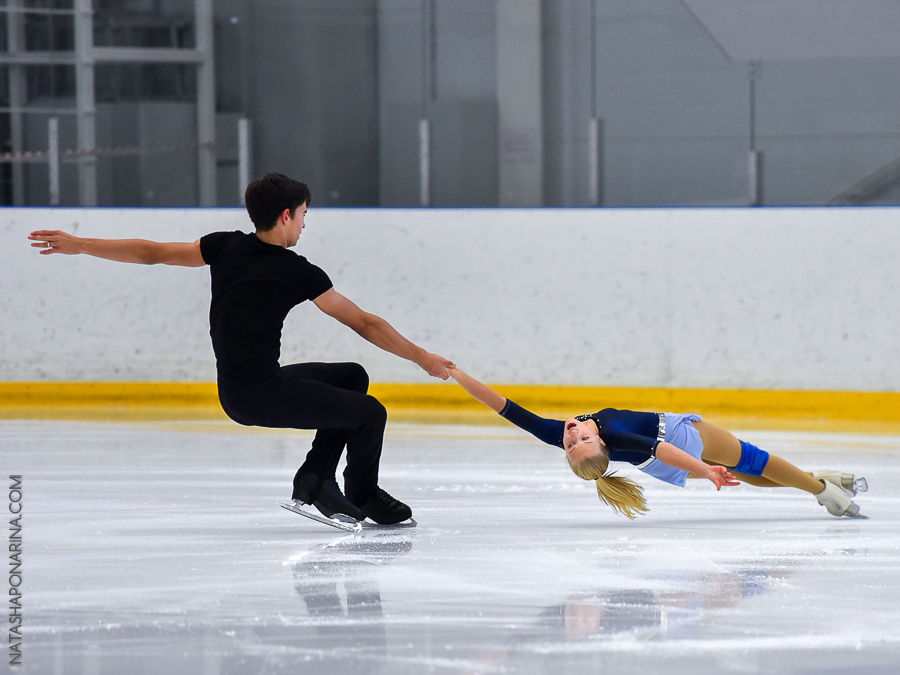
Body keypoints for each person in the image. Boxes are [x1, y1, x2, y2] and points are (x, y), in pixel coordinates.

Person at [28, 172, 454, 525]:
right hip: (260, 395)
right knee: (371, 414)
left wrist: (82, 244)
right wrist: (424, 358)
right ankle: (364, 494)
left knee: (351, 377)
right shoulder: (297, 272)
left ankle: (315, 478)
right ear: (286, 216)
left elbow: (152, 253)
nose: (305, 225)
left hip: (241, 389)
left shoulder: (224, 246)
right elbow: (365, 322)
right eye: (304, 215)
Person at [446, 366, 867, 519]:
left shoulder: (557, 433)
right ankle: (824, 492)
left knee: (749, 472)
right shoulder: (614, 435)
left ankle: (815, 480)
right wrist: (703, 467)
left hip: (671, 460)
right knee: (756, 459)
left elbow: (507, 408)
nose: (572, 435)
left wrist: (459, 375)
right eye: (581, 440)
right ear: (601, 443)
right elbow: (661, 449)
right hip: (682, 442)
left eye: (572, 443)